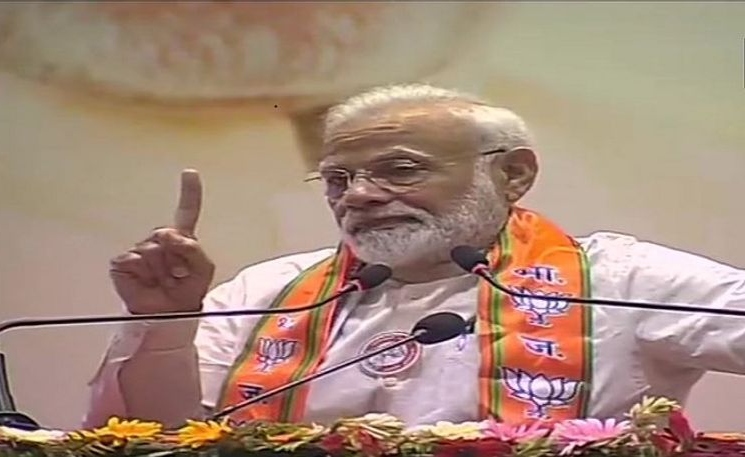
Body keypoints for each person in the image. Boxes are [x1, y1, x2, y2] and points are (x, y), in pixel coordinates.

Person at [84, 84, 745, 429]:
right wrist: (166, 323)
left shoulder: (617, 279)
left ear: (513, 174)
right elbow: (154, 435)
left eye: (399, 170)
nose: (359, 196)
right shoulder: (271, 289)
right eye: (338, 179)